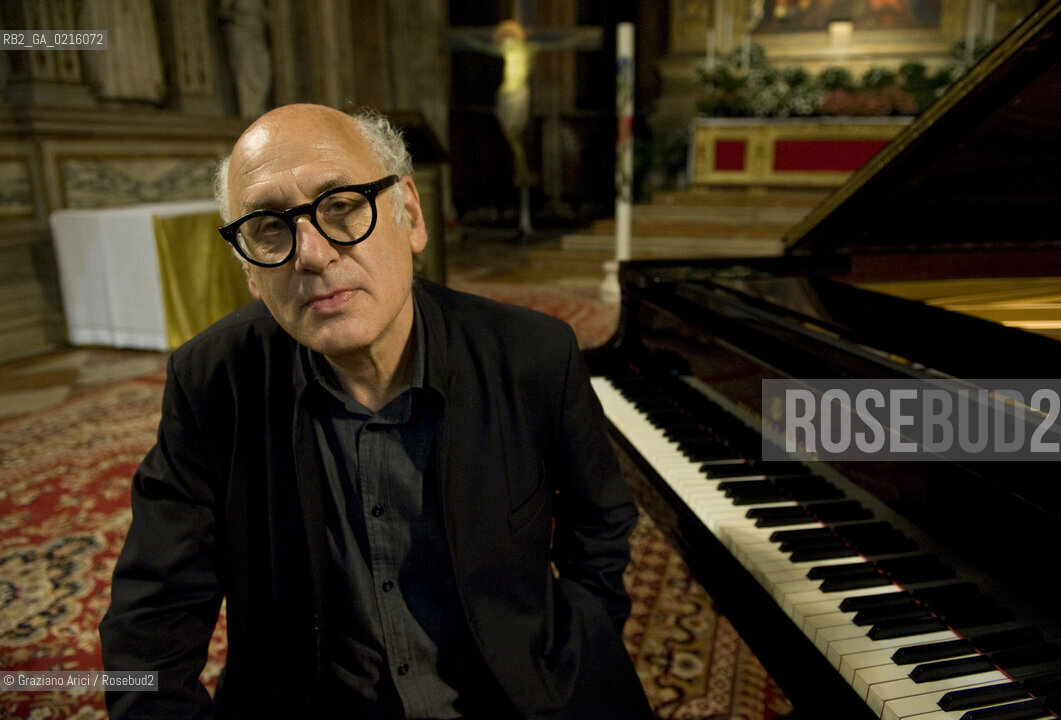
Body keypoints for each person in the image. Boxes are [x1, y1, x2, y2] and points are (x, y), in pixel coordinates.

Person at [99, 103, 652, 720]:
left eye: (341, 206)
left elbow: (600, 521)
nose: (312, 253)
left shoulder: (533, 356)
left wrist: (573, 656)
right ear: (251, 272)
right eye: (269, 227)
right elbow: (153, 612)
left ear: (409, 214)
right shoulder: (211, 381)